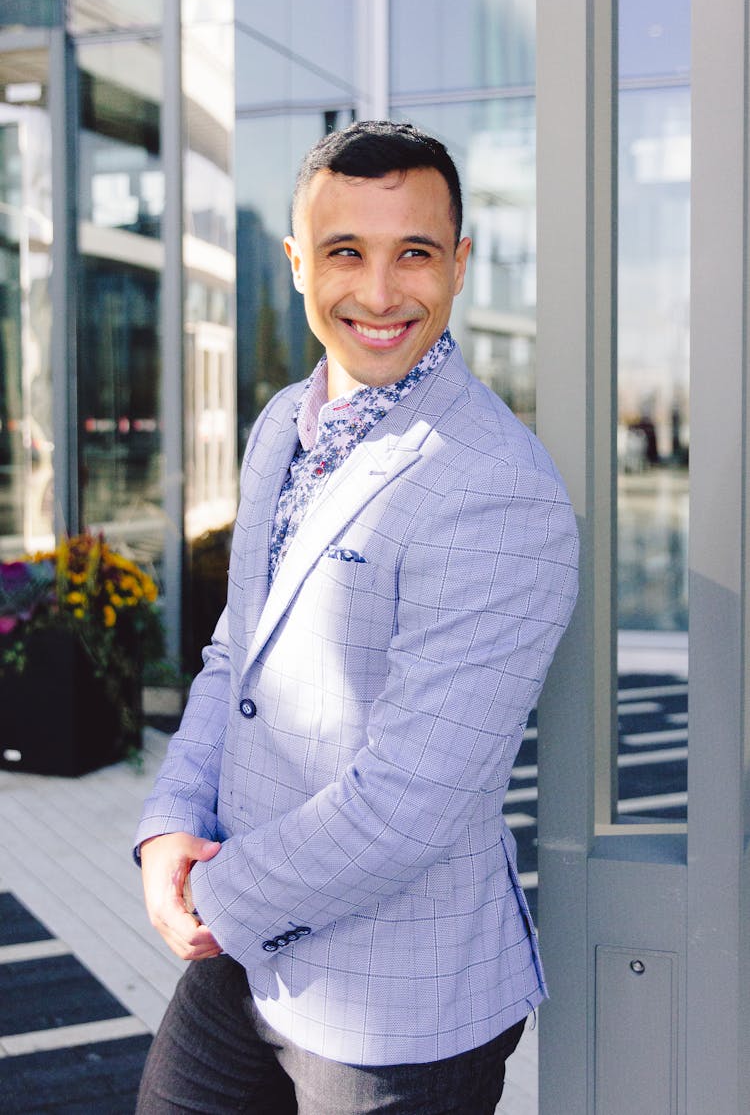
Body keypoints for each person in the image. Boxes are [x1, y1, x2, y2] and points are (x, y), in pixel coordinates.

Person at [134, 120, 579, 1114]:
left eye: (414, 253)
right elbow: (233, 653)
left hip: (396, 1016)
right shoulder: (278, 427)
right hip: (244, 957)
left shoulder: (498, 489)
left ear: (459, 265)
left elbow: (407, 806)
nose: (379, 294)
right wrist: (168, 828)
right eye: (346, 253)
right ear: (297, 264)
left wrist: (210, 896)